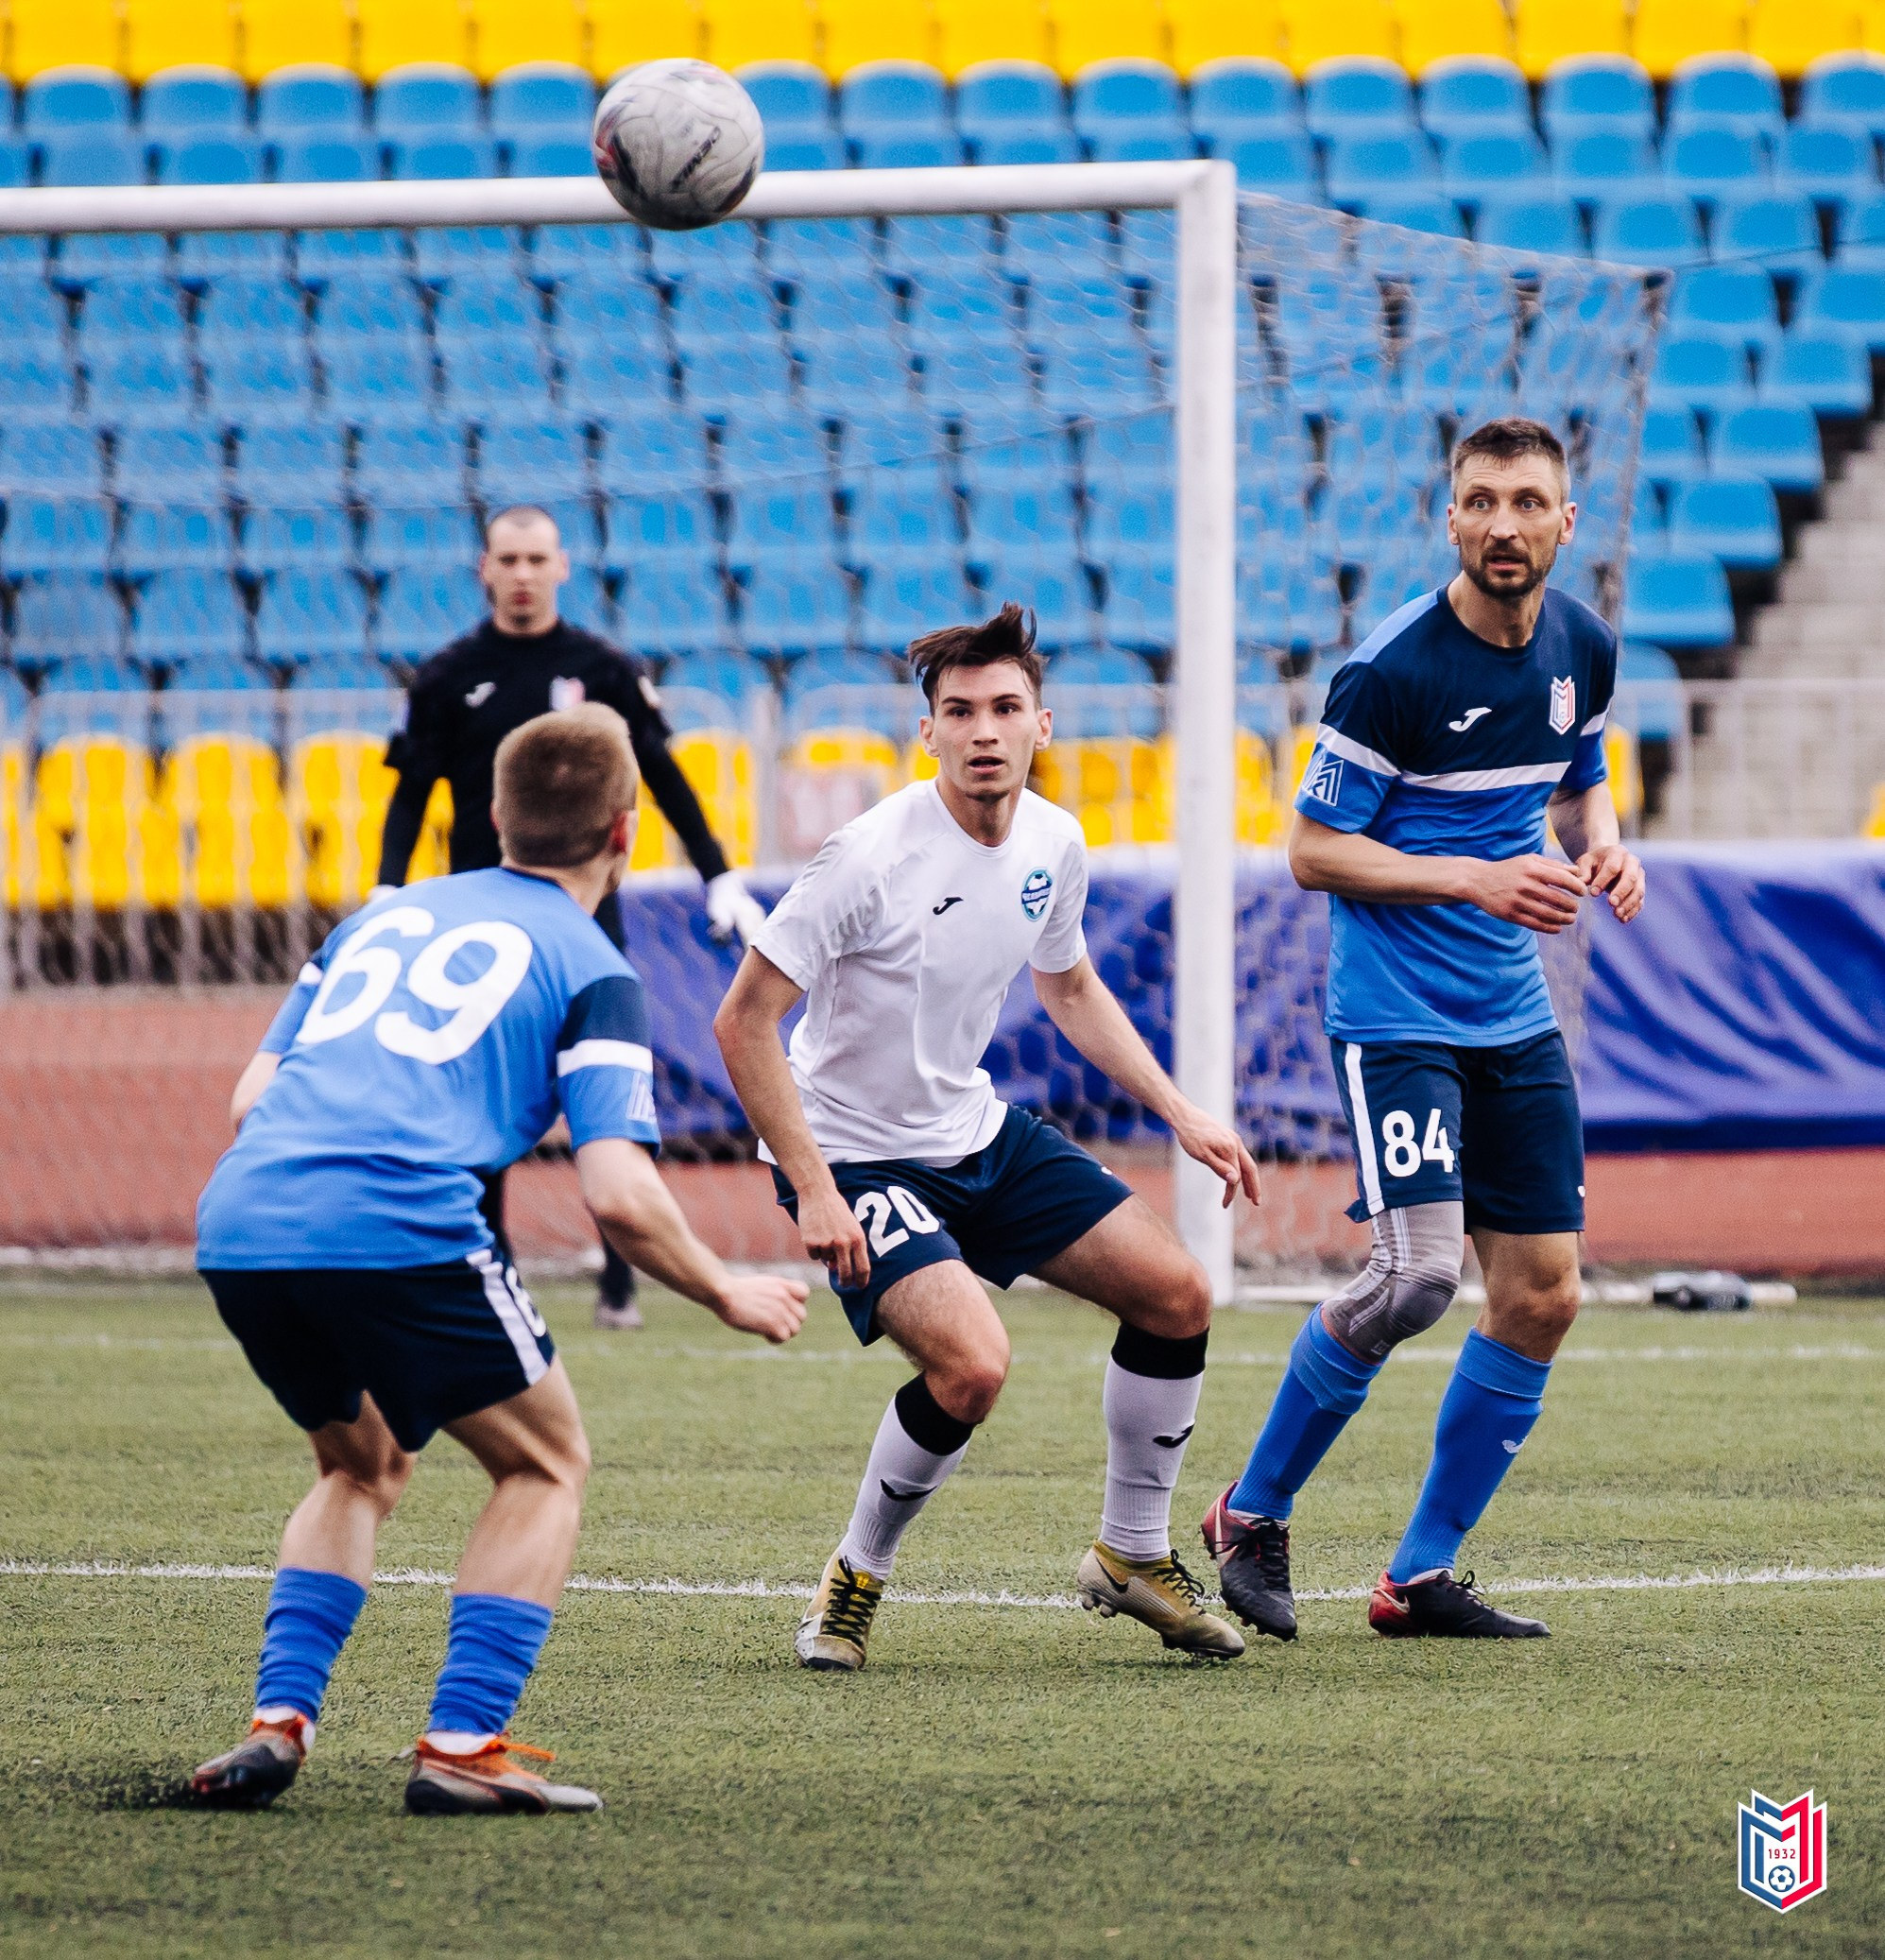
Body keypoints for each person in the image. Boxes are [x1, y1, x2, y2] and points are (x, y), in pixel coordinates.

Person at [191, 704, 807, 1814]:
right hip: (403, 1225)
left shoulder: (376, 921)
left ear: (490, 817)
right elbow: (618, 1193)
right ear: (627, 832)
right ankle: (462, 1748)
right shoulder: (592, 963)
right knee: (543, 1464)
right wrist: (725, 1287)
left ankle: (278, 1726)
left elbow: (250, 1100)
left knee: (360, 1464)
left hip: (244, 1218)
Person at [714, 604, 1262, 1673]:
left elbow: (1068, 984)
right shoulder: (865, 856)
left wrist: (1182, 1110)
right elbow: (741, 1023)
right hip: (856, 1153)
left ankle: (1133, 1555)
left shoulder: (1056, 839)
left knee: (1177, 1294)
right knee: (972, 1366)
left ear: (1041, 724)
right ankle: (852, 1579)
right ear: (927, 734)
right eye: (958, 710)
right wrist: (814, 1186)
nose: (983, 730)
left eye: (1005, 708)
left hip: (976, 1130)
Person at [1199, 417, 1646, 1643]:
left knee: (1542, 1294)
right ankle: (1247, 1509)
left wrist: (1596, 842)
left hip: (1509, 1016)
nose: (1503, 523)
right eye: (1480, 501)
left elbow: (1575, 770)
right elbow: (1308, 851)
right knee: (1415, 1276)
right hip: (1393, 1019)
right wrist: (1473, 879)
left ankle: (1417, 1575)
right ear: (1447, 519)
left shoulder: (1579, 643)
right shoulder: (1389, 668)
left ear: (1564, 522)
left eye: (1527, 502)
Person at [375, 505, 767, 1332]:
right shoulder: (448, 675)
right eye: (507, 559)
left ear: (561, 568)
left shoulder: (603, 668)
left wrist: (718, 874)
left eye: (536, 559)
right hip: (477, 926)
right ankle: (491, 1269)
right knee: (478, 1096)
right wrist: (386, 886)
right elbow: (411, 787)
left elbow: (661, 773)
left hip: (589, 922)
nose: (521, 574)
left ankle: (619, 1279)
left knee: (608, 1094)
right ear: (484, 568)